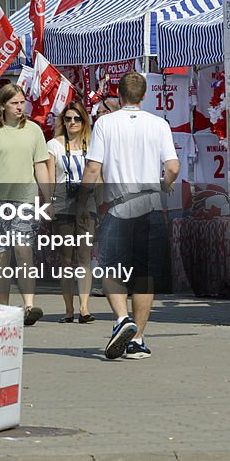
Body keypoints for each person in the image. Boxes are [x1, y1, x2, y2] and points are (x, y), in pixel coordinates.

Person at [81, 72, 180, 360]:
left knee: (112, 268)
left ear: (119, 95)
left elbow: (92, 169)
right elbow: (172, 166)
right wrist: (163, 185)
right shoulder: (158, 124)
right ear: (144, 95)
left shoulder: (105, 124)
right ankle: (137, 339)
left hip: (117, 206)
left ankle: (122, 318)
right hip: (149, 206)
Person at [0, 84, 52, 325]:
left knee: (24, 251)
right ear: (3, 105)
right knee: (0, 256)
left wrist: (49, 199)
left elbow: (41, 166)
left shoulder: (34, 130)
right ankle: (3, 308)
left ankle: (29, 305)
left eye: (22, 102)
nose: (19, 106)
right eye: (14, 102)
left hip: (24, 199)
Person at [45, 101, 95, 324]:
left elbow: (99, 174)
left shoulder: (92, 144)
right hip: (63, 200)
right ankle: (68, 308)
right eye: (68, 119)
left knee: (84, 256)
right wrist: (48, 203)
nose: (72, 123)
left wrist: (103, 205)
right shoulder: (53, 145)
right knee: (66, 259)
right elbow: (48, 177)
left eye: (76, 118)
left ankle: (84, 307)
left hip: (88, 201)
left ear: (84, 121)